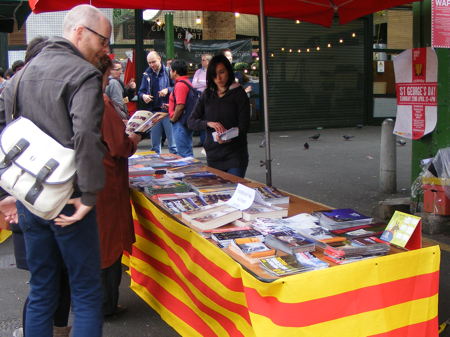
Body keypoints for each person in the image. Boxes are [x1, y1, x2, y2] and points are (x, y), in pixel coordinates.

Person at [0, 4, 111, 337]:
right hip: (69, 198)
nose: (105, 49)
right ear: (79, 31)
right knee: (87, 293)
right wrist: (89, 195)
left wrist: (10, 191)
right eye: (103, 40)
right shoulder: (84, 75)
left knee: (42, 289)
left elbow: (7, 134)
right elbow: (87, 136)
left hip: (31, 197)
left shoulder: (20, 75)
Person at [97, 55, 140, 317]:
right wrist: (134, 137)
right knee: (108, 245)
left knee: (100, 242)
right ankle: (106, 305)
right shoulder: (99, 102)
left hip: (92, 179)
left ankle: (102, 303)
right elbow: (119, 146)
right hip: (106, 182)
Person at [187, 54, 250, 178]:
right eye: (214, 75)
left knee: (232, 190)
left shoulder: (238, 93)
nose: (218, 78)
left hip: (235, 154)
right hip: (213, 155)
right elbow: (191, 121)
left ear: (228, 71)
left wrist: (229, 135)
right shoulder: (207, 94)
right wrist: (208, 123)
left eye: (222, 72)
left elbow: (244, 126)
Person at [138, 51, 176, 154]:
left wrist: (167, 90)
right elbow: (140, 91)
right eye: (149, 63)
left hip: (167, 111)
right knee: (155, 146)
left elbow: (176, 87)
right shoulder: (146, 74)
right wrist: (144, 96)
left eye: (153, 62)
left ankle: (176, 166)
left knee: (173, 145)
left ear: (159, 59)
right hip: (153, 112)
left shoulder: (168, 71)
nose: (151, 65)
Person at [168, 59, 194, 158]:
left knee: (184, 153)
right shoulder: (186, 82)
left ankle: (190, 172)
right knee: (186, 150)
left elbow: (180, 105)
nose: (170, 72)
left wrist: (173, 119)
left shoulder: (180, 85)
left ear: (175, 71)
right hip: (185, 121)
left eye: (171, 70)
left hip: (180, 122)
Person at [191, 54, 212, 147]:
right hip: (199, 96)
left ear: (209, 61)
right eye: (202, 60)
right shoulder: (198, 71)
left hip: (209, 97)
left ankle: (207, 140)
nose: (202, 62)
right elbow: (194, 84)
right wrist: (204, 83)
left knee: (208, 118)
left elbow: (210, 83)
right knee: (201, 118)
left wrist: (201, 82)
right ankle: (202, 140)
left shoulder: (212, 71)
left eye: (204, 60)